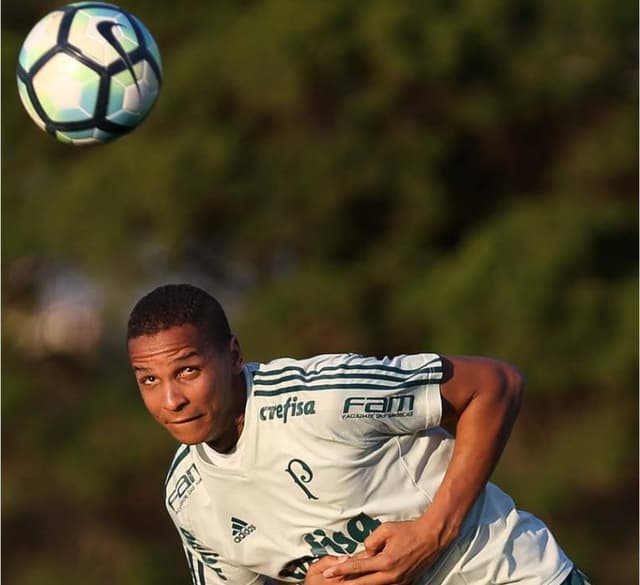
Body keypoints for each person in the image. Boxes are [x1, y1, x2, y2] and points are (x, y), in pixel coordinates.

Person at [126, 283, 590, 585]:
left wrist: (432, 534)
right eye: (149, 380)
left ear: (232, 356)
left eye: (188, 370)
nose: (170, 400)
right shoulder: (189, 498)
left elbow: (495, 385)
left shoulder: (326, 399)